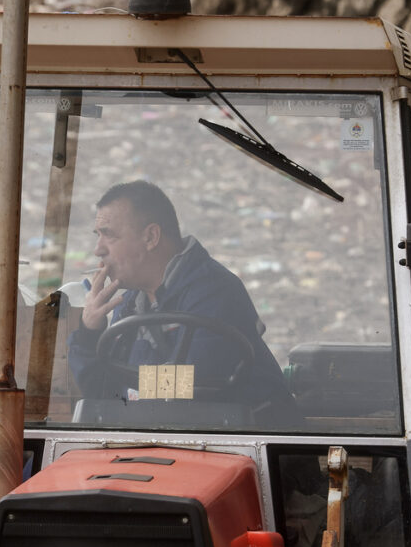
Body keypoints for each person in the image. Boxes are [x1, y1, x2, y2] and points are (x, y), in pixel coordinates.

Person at [67, 180, 297, 424]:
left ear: (151, 237)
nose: (98, 250)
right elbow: (103, 395)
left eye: (109, 235)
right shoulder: (132, 302)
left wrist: (128, 385)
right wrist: (89, 333)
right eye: (98, 236)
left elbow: (192, 386)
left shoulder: (215, 291)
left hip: (247, 443)